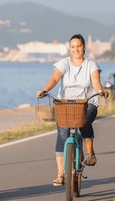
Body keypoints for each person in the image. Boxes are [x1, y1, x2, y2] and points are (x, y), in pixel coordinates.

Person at [36, 34, 108, 186]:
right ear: (70, 48)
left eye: (79, 46)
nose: (76, 49)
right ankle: (60, 174)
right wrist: (45, 89)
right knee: (62, 134)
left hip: (87, 103)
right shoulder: (64, 63)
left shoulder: (91, 65)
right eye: (73, 47)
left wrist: (101, 91)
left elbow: (95, 82)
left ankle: (89, 152)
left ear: (84, 47)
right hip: (66, 103)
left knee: (84, 122)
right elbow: (55, 79)